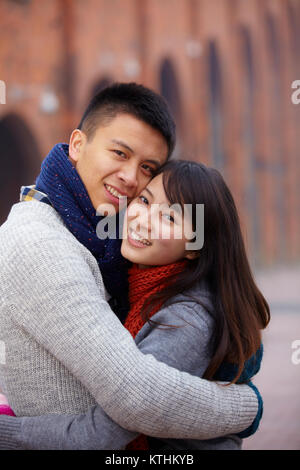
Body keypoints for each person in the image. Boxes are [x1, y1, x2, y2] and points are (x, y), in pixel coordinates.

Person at [0, 83, 261, 447]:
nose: (130, 177)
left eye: (147, 167)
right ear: (77, 144)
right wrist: (247, 405)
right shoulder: (43, 244)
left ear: (196, 244)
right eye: (119, 153)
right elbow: (136, 395)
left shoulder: (102, 243)